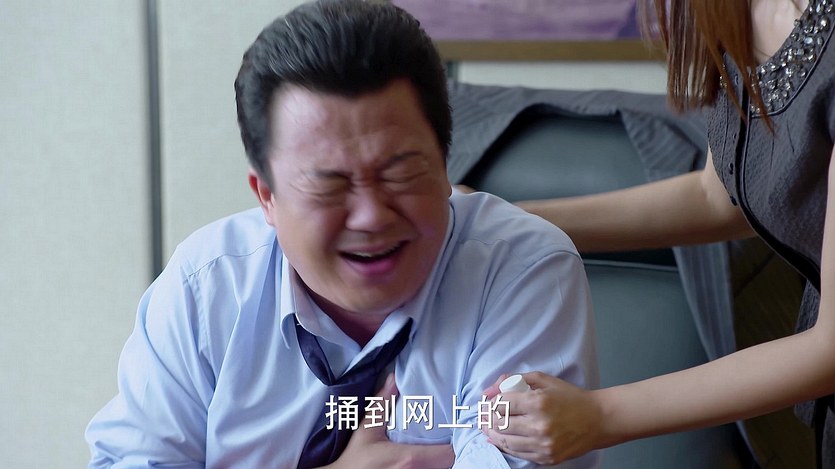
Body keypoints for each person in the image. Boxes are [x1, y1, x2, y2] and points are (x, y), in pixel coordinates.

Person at [84, 1, 599, 467]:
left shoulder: (518, 269)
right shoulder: (207, 285)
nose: (371, 217)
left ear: (445, 167)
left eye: (400, 174)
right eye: (329, 186)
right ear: (266, 196)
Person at [476, 0, 835, 466]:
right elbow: (717, 197)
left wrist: (598, 417)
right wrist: (511, 224)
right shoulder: (739, 13)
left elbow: (829, 348)